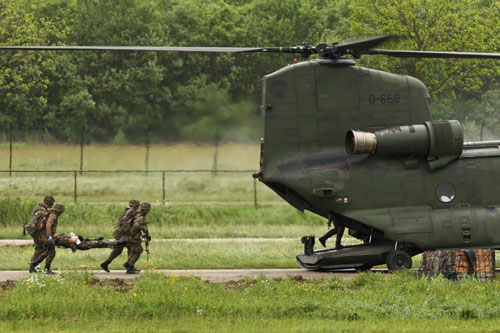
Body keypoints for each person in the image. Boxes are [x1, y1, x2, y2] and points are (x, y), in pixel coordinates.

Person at [100, 199, 140, 272]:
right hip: (122, 233)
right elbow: (126, 224)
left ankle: (107, 263)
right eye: (136, 207)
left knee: (121, 249)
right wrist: (129, 234)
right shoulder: (130, 212)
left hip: (119, 232)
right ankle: (129, 267)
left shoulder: (127, 211)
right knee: (129, 248)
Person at [28, 203, 65, 274]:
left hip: (41, 236)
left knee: (44, 251)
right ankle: (45, 268)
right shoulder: (53, 215)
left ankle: (33, 265)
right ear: (60, 211)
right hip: (45, 237)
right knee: (51, 252)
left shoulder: (49, 213)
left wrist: (53, 234)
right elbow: (48, 225)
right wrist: (49, 237)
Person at [124, 202, 151, 274]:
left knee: (132, 251)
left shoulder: (136, 214)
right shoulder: (140, 217)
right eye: (148, 210)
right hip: (132, 237)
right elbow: (136, 226)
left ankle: (131, 267)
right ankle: (128, 265)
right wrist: (143, 229)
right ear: (145, 210)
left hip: (128, 236)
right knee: (138, 250)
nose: (148, 211)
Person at [28, 196, 55, 268]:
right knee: (40, 248)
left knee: (39, 248)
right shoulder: (42, 210)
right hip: (36, 231)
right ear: (49, 203)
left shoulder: (39, 207)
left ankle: (33, 266)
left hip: (34, 230)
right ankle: (33, 266)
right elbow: (41, 223)